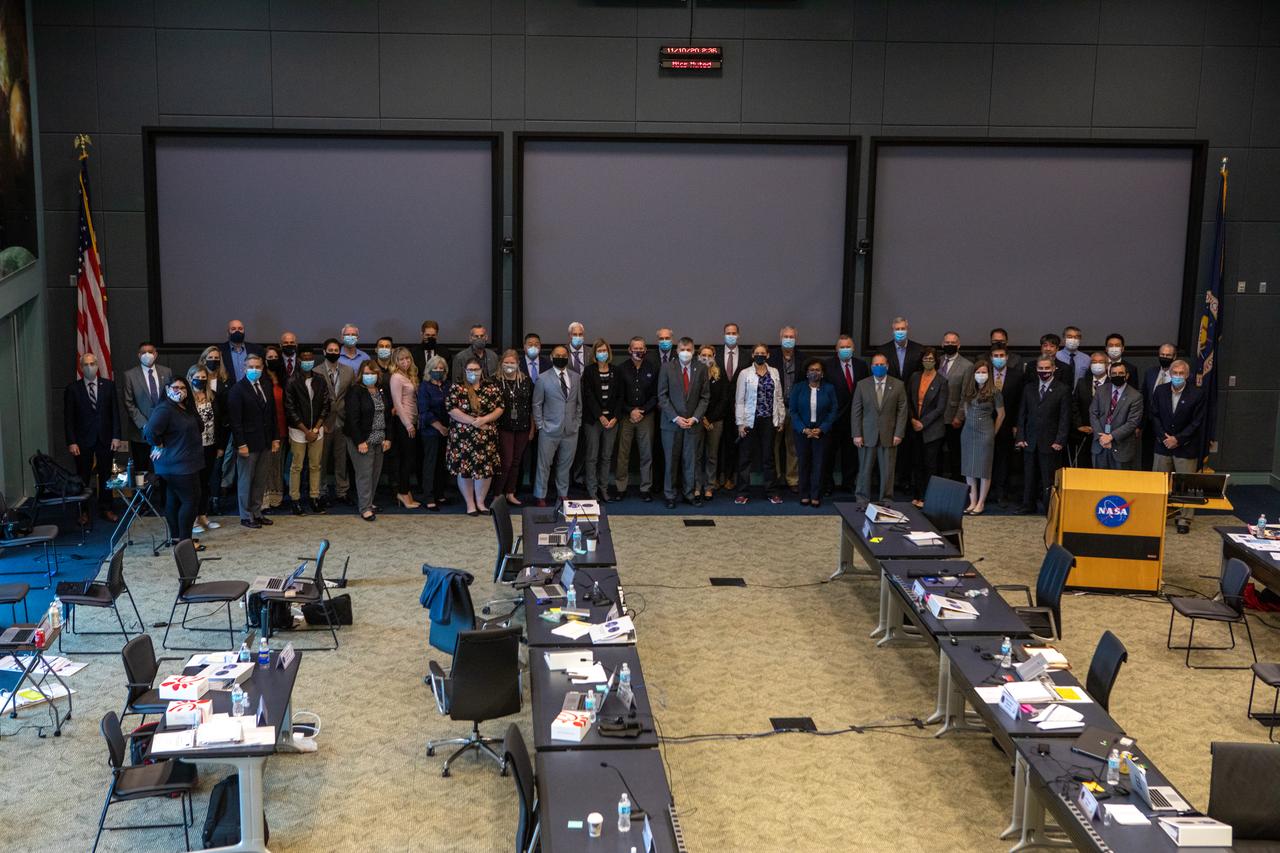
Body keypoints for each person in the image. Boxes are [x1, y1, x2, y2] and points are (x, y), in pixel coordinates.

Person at [143, 376, 204, 546]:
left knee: (173, 499)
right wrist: (158, 444)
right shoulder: (165, 409)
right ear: (167, 389)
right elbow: (149, 432)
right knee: (191, 500)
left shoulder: (184, 407)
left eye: (183, 388)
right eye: (175, 387)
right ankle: (185, 541)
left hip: (183, 462)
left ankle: (177, 538)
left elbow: (199, 427)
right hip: (179, 465)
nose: (179, 391)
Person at [64, 352, 123, 524]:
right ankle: (83, 511)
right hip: (82, 441)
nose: (90, 367)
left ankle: (106, 508)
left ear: (98, 365)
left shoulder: (109, 386)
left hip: (105, 438)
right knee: (83, 476)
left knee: (105, 475)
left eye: (93, 363)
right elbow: (69, 418)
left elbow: (115, 414)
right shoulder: (73, 388)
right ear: (81, 368)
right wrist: (71, 441)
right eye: (86, 364)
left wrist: (116, 436)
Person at [1151, 359, 1206, 531]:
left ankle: (1184, 520)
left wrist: (1178, 439)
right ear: (1170, 374)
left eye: (1181, 373)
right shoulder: (1160, 391)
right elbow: (1154, 416)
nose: (1177, 376)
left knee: (1186, 485)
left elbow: (1197, 422)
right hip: (1163, 445)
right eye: (1175, 373)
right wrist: (1164, 437)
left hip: (1186, 447)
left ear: (1187, 375)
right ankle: (1157, 515)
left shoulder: (1197, 393)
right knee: (1158, 484)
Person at [227, 354, 279, 529]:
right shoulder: (237, 389)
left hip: (265, 441)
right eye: (251, 367)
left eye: (257, 367)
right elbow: (235, 421)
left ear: (262, 368)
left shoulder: (266, 384)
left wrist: (275, 438)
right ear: (244, 368)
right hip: (247, 444)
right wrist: (241, 444)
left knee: (260, 480)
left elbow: (272, 415)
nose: (254, 370)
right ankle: (246, 515)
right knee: (246, 480)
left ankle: (257, 512)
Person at [659, 336, 710, 509]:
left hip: (692, 424)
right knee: (671, 461)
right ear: (677, 350)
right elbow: (662, 396)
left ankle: (689, 493)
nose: (685, 353)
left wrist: (695, 418)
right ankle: (670, 494)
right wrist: (675, 417)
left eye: (689, 350)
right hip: (671, 424)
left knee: (691, 461)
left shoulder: (701, 368)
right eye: (682, 349)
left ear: (694, 351)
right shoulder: (667, 368)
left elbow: (705, 397)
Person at [1015, 356, 1071, 515]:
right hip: (1029, 441)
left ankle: (1049, 508)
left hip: (1051, 442)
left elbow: (1064, 418)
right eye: (1041, 368)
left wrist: (1060, 440)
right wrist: (1020, 437)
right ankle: (1028, 505)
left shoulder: (1063, 389)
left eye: (1047, 368)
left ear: (1054, 369)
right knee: (1029, 476)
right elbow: (1022, 415)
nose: (1044, 371)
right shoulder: (1029, 388)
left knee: (1049, 478)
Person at [449, 357, 504, 515]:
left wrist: (485, 420)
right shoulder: (457, 387)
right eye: (470, 370)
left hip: (487, 436)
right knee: (465, 470)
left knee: (485, 471)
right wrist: (475, 422)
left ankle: (481, 502)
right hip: (463, 437)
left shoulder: (491, 387)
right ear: (465, 371)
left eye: (476, 370)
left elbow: (500, 407)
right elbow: (451, 408)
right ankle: (470, 504)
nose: (473, 373)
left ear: (482, 371)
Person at [851, 353, 907, 502]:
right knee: (864, 470)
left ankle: (886, 499)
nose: (879, 367)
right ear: (871, 367)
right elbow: (856, 411)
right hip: (866, 435)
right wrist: (856, 434)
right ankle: (862, 498)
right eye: (876, 364)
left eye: (882, 364)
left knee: (888, 471)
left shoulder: (898, 385)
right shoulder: (862, 385)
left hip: (890, 435)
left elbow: (902, 411)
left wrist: (899, 433)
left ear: (887, 366)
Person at [734, 343, 784, 505]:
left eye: (763, 353)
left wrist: (781, 419)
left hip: (769, 420)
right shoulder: (745, 373)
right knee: (745, 458)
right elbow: (739, 400)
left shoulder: (774, 372)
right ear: (752, 355)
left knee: (768, 458)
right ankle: (742, 493)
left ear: (768, 355)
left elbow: (779, 398)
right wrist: (740, 423)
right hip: (750, 421)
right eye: (757, 353)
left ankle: (772, 492)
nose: (760, 355)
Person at [284, 348, 331, 515]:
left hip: (317, 430)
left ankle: (314, 498)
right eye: (304, 358)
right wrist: (305, 430)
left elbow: (326, 405)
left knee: (315, 465)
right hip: (298, 430)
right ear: (299, 361)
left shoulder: (320, 379)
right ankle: (295, 500)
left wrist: (316, 428)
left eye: (310, 358)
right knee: (296, 466)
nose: (308, 361)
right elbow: (290, 409)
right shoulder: (292, 381)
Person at [532, 346, 580, 506]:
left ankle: (562, 494)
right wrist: (540, 425)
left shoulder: (576, 377)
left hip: (571, 429)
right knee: (544, 465)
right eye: (557, 355)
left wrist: (577, 422)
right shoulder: (543, 378)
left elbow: (579, 404)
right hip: (549, 429)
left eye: (564, 355)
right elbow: (537, 404)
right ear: (552, 357)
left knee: (565, 465)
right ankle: (540, 496)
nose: (561, 357)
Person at [346, 361, 393, 521]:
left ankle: (369, 502)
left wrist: (388, 438)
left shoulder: (381, 390)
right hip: (362, 440)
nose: (369, 376)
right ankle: (364, 508)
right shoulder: (355, 391)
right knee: (364, 474)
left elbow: (388, 416)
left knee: (375, 474)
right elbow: (352, 419)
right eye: (366, 373)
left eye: (372, 373)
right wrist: (360, 441)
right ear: (361, 374)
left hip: (379, 439)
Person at [122, 341, 173, 487]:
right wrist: (145, 425)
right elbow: (128, 403)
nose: (147, 355)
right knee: (142, 471)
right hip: (141, 432)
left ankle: (165, 504)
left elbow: (170, 398)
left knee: (164, 469)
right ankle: (142, 504)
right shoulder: (130, 375)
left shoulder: (166, 372)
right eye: (143, 352)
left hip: (163, 430)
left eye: (150, 351)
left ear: (156, 354)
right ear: (139, 356)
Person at [957, 359, 1004, 514]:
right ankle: (972, 501)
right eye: (978, 372)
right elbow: (966, 410)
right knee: (969, 468)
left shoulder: (995, 392)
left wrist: (993, 432)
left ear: (989, 374)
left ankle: (981, 503)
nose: (981, 375)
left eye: (984, 372)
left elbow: (1001, 415)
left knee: (984, 469)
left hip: (986, 432)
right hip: (968, 432)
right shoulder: (969, 390)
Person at [823, 334, 869, 493]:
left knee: (851, 455)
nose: (845, 349)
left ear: (853, 348)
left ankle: (848, 483)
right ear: (836, 349)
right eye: (842, 347)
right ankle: (827, 485)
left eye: (848, 346)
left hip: (855, 418)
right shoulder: (827, 366)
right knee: (829, 454)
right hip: (834, 418)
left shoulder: (862, 365)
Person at [789, 358, 836, 507]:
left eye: (817, 370)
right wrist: (803, 429)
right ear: (806, 372)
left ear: (822, 373)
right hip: (802, 432)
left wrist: (822, 428)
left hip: (821, 432)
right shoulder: (798, 388)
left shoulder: (829, 388)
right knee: (803, 463)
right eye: (811, 370)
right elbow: (793, 411)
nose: (814, 373)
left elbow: (833, 410)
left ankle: (816, 494)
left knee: (819, 464)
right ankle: (804, 494)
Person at [615, 337, 658, 501]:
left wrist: (642, 411)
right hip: (626, 416)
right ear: (629, 350)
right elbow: (618, 395)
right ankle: (620, 488)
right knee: (623, 454)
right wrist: (630, 411)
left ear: (645, 350)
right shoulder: (621, 369)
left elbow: (655, 395)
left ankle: (645, 488)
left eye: (641, 348)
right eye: (635, 348)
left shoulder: (652, 368)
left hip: (646, 416)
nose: (638, 351)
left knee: (646, 453)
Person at [315, 338, 356, 505]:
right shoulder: (316, 371)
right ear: (324, 352)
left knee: (341, 459)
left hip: (343, 421)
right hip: (323, 422)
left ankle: (342, 492)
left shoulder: (348, 371)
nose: (333, 353)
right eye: (330, 350)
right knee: (321, 460)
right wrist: (319, 422)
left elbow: (352, 397)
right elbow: (315, 400)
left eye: (336, 350)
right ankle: (321, 492)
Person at [186, 364, 225, 534]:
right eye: (197, 377)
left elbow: (221, 423)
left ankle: (203, 516)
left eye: (203, 378)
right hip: (192, 448)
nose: (200, 381)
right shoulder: (186, 399)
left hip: (210, 445)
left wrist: (221, 446)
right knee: (193, 485)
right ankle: (192, 519)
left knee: (205, 483)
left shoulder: (213, 396)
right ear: (190, 377)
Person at [906, 347, 947, 506]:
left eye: (931, 359)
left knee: (931, 465)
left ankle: (928, 498)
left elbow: (940, 408)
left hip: (932, 430)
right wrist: (913, 420)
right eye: (926, 358)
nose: (928, 361)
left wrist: (923, 423)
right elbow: (908, 400)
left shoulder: (942, 381)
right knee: (916, 464)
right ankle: (917, 495)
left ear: (936, 361)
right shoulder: (915, 377)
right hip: (914, 427)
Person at [582, 338, 622, 502]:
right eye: (599, 351)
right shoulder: (589, 371)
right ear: (594, 354)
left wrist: (614, 418)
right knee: (592, 456)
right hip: (594, 420)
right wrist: (601, 416)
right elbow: (588, 396)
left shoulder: (616, 371)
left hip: (612, 421)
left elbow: (620, 396)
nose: (602, 354)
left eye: (604, 351)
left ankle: (603, 489)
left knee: (606, 457)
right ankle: (592, 491)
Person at [494, 349, 534, 504]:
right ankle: (498, 494)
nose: (509, 365)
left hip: (523, 426)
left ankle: (510, 492)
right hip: (503, 427)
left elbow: (531, 405)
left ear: (518, 364)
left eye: (512, 362)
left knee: (517, 461)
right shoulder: (494, 381)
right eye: (506, 362)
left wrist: (532, 427)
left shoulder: (526, 381)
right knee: (506, 461)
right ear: (501, 364)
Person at [988, 343, 1025, 506]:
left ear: (1007, 357)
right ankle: (986, 492)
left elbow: (1020, 402)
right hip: (985, 424)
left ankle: (1001, 492)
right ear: (990, 358)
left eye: (1001, 356)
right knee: (987, 459)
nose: (998, 359)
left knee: (1004, 459)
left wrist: (1017, 424)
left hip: (1008, 424)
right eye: (995, 356)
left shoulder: (1017, 375)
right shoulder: (984, 373)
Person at [694, 344, 732, 502]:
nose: (706, 358)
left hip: (715, 422)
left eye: (709, 355)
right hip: (697, 420)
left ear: (714, 357)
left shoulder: (720, 374)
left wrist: (711, 419)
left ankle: (709, 486)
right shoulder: (694, 373)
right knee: (696, 455)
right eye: (703, 355)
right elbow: (692, 399)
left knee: (712, 456)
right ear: (698, 356)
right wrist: (702, 418)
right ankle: (696, 486)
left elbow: (724, 400)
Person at [1089, 361, 1143, 470]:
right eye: (1114, 374)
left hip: (1121, 447)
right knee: (1098, 483)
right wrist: (1102, 437)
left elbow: (1132, 423)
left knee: (1120, 485)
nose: (1117, 376)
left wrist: (1111, 437)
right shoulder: (1100, 390)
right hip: (1100, 446)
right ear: (1109, 375)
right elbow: (1093, 413)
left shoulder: (1135, 396)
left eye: (1121, 373)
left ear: (1127, 375)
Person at [197, 345, 232, 511]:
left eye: (216, 358)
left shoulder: (225, 380)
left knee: (217, 469)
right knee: (200, 473)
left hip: (220, 432)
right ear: (203, 360)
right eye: (210, 358)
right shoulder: (196, 380)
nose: (213, 361)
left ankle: (215, 501)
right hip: (198, 437)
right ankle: (201, 505)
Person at [417, 356, 451, 511]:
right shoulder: (424, 386)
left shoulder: (447, 385)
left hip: (446, 430)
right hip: (430, 430)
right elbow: (424, 411)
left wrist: (446, 428)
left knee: (441, 463)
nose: (438, 370)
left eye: (441, 368)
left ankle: (439, 493)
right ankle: (428, 496)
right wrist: (440, 427)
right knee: (430, 463)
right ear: (429, 369)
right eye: (435, 368)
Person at [768, 325, 800, 492]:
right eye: (786, 336)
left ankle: (792, 479)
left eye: (791, 336)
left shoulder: (802, 358)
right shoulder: (771, 357)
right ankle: (775, 477)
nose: (789, 339)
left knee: (793, 446)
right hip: (775, 408)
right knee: (773, 445)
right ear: (780, 338)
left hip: (794, 409)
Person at [388, 346, 420, 509]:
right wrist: (408, 424)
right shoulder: (396, 377)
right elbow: (398, 404)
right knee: (407, 460)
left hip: (412, 421)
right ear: (396, 361)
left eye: (407, 358)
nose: (405, 362)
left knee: (410, 460)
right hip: (404, 423)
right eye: (401, 359)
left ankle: (406, 492)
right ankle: (402, 492)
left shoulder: (408, 376)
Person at [939, 331, 973, 480]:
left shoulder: (967, 365)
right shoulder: (936, 361)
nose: (950, 345)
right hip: (935, 417)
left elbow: (966, 394)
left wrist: (960, 416)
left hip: (954, 418)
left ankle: (956, 487)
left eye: (953, 343)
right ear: (942, 344)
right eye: (947, 342)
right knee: (935, 455)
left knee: (955, 455)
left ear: (959, 345)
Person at [717, 324, 745, 493]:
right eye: (728, 333)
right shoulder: (716, 354)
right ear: (724, 335)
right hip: (717, 407)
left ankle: (729, 476)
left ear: (739, 335)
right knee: (715, 444)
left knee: (733, 444)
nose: (731, 336)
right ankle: (715, 477)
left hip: (738, 407)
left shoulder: (747, 356)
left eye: (734, 333)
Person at [1142, 342, 1179, 470]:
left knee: (1165, 461)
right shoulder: (1150, 372)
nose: (1164, 357)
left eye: (1168, 355)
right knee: (1147, 458)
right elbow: (1145, 397)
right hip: (1149, 424)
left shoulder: (1179, 375)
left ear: (1174, 357)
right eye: (1162, 354)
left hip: (1168, 426)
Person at [260, 345, 288, 511]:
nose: (272, 360)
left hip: (283, 427)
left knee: (278, 464)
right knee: (265, 465)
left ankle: (276, 498)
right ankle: (264, 500)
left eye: (275, 357)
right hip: (267, 429)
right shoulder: (261, 380)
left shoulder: (283, 378)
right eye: (269, 357)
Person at [1071, 352, 1110, 468]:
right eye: (1094, 362)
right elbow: (1074, 405)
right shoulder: (1082, 382)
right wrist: (1079, 425)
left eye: (1101, 362)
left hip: (1105, 434)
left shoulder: (1113, 384)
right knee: (1084, 466)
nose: (1097, 365)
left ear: (1107, 365)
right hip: (1084, 432)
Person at [877, 316, 924, 383]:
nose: (900, 331)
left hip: (911, 391)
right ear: (893, 331)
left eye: (903, 329)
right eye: (897, 329)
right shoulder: (883, 351)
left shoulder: (918, 350)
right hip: (891, 390)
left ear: (907, 330)